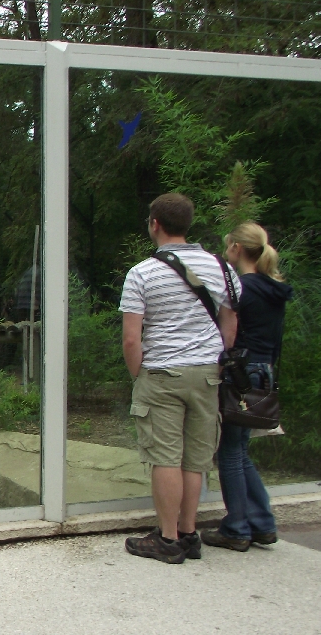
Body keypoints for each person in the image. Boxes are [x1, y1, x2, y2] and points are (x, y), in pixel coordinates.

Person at [119, 193, 238, 564]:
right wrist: (216, 361)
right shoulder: (222, 268)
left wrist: (138, 374)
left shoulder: (142, 273)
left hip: (162, 372)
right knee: (195, 458)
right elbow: (230, 323)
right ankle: (189, 532)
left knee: (165, 457)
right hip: (207, 374)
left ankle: (167, 539)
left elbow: (131, 337)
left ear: (155, 223)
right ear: (188, 224)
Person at [203, 222, 294, 552]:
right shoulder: (273, 287)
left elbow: (229, 330)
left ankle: (237, 528)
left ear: (237, 249)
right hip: (263, 371)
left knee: (229, 452)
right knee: (241, 451)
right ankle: (262, 523)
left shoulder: (242, 288)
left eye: (229, 245)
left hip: (241, 372)